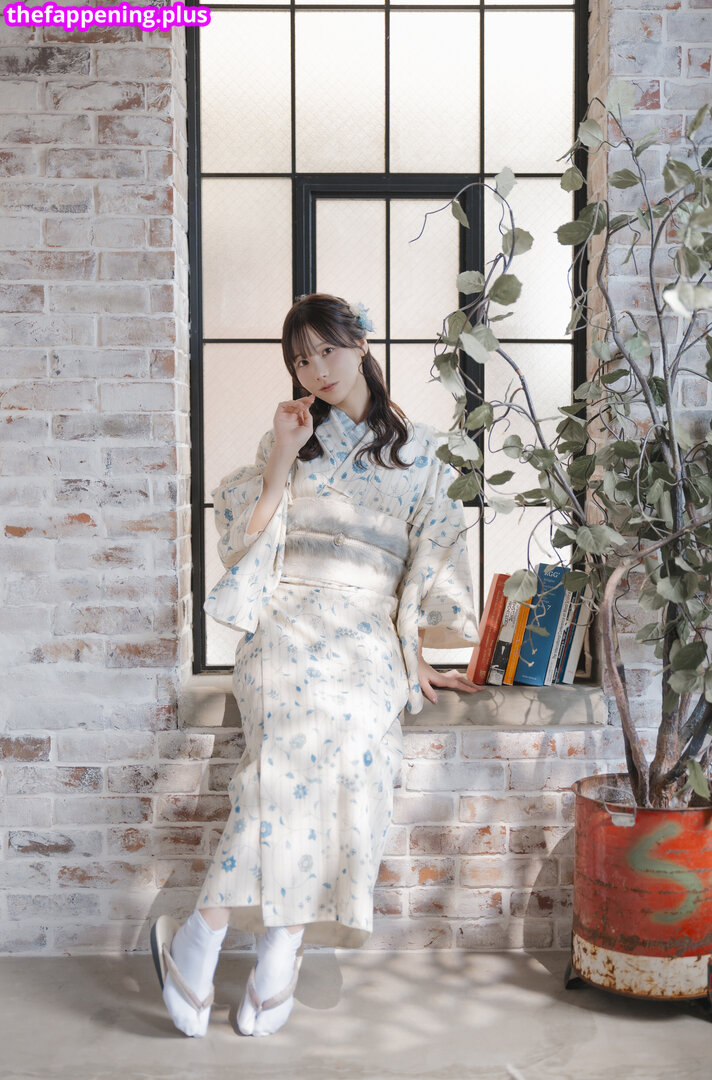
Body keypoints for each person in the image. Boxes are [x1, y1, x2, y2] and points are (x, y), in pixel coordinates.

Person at [151, 293, 482, 1039]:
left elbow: (430, 560)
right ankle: (211, 931)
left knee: (358, 754)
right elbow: (246, 540)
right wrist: (279, 455)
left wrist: (418, 653)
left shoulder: (426, 453)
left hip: (366, 635)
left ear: (360, 344)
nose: (316, 369)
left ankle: (274, 941)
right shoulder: (295, 438)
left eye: (327, 350)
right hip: (287, 622)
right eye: (301, 360)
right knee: (286, 756)